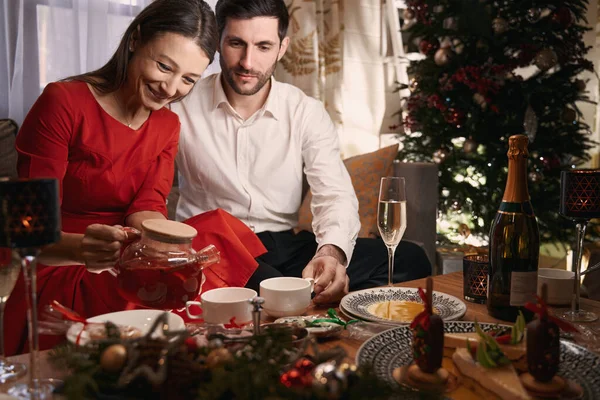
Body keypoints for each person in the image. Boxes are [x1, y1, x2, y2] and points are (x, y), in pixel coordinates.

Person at [5, 0, 266, 356]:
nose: (171, 89)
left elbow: (147, 207)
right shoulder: (63, 101)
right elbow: (29, 229)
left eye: (188, 79)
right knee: (150, 311)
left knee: (215, 235)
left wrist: (163, 250)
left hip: (125, 256)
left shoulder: (167, 124)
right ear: (135, 40)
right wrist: (85, 248)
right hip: (63, 259)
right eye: (164, 66)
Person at [171, 0, 432, 305]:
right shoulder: (181, 104)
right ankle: (297, 301)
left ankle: (298, 299)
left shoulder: (305, 111)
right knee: (271, 286)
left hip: (285, 245)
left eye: (264, 46)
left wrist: (330, 254)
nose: (247, 61)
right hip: (215, 249)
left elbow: (333, 193)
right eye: (236, 43)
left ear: (283, 48)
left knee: (410, 259)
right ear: (218, 41)